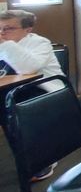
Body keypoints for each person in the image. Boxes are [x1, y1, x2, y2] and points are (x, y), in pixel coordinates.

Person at [0, 10, 64, 182]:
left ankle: (43, 159)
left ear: (27, 30)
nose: (2, 33)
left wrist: (5, 45)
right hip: (10, 92)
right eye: (0, 29)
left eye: (8, 29)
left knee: (13, 102)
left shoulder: (39, 42)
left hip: (43, 89)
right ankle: (26, 157)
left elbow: (29, 68)